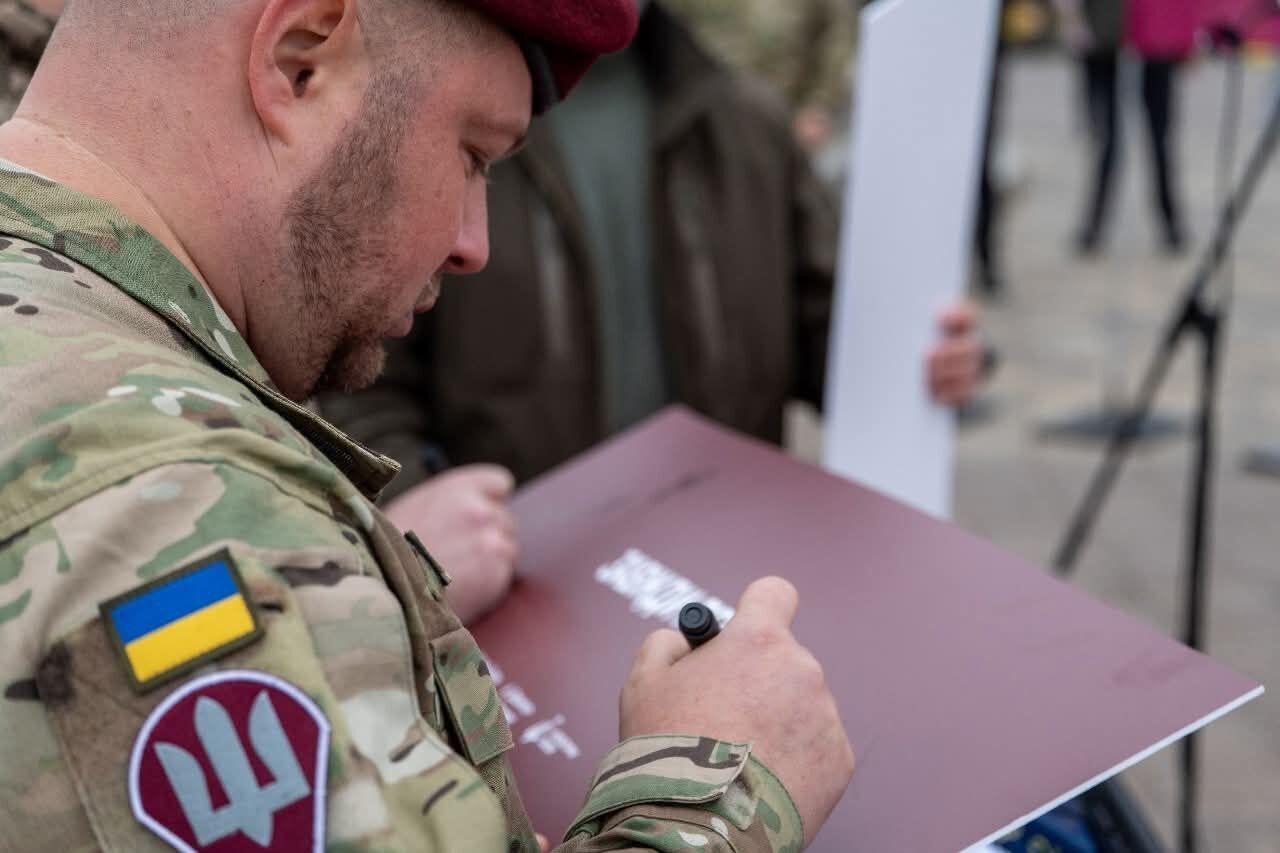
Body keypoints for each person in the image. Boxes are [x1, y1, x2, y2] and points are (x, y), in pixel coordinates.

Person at [0, 2, 854, 852]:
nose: (472, 243)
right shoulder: (182, 513)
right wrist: (717, 794)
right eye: (474, 153)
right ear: (300, 61)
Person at [320, 0, 984, 622]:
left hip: (718, 585)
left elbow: (832, 343)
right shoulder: (440, 112)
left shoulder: (746, 123)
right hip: (523, 602)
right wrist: (422, 528)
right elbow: (361, 377)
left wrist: (920, 358)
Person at [1056, 0, 1195, 254]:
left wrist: (1184, 38)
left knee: (1158, 140)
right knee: (1109, 141)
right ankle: (1095, 225)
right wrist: (1073, 21)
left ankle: (1169, 222)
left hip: (1154, 37)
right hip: (1104, 36)